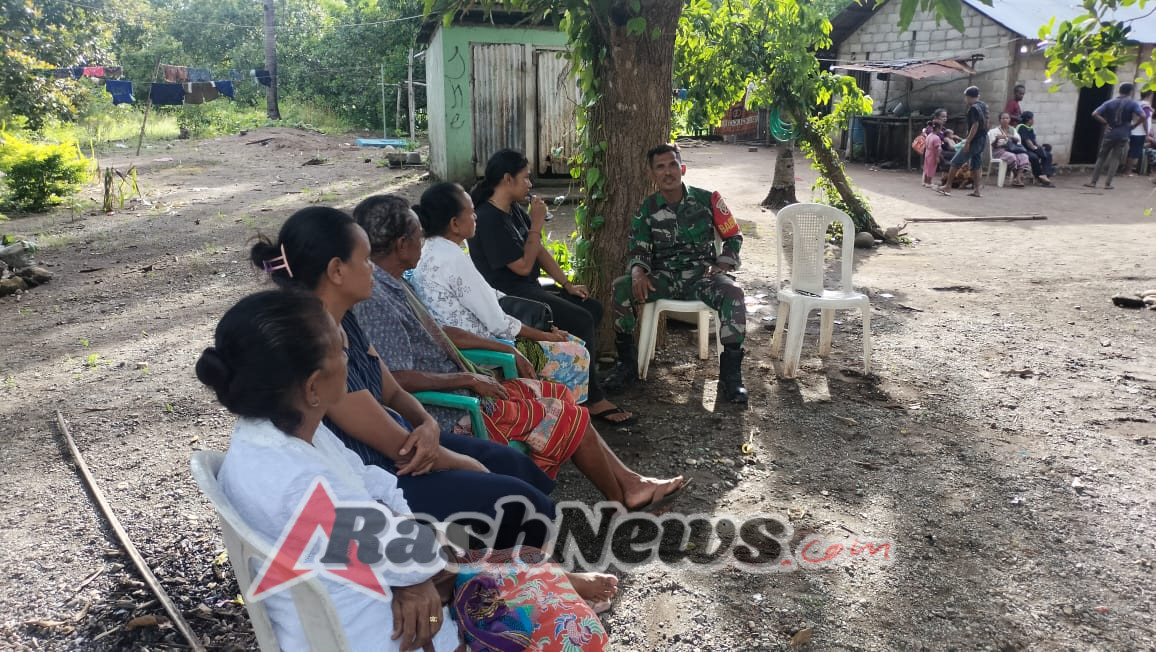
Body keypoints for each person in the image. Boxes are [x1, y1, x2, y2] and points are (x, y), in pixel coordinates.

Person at [197, 290, 614, 651]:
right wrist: (414, 571)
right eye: (341, 351)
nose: (349, 358)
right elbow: (412, 552)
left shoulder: (273, 432)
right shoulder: (300, 484)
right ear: (312, 387)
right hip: (391, 635)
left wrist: (411, 571)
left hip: (367, 600)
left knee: (508, 557)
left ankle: (539, 577)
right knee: (577, 630)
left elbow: (374, 482)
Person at [351, 194, 691, 512]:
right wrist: (468, 378)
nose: (423, 242)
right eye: (417, 235)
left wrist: (499, 349)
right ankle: (621, 503)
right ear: (401, 245)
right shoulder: (377, 298)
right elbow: (394, 377)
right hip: (452, 411)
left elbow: (440, 333)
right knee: (566, 414)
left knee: (559, 395)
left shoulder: (396, 282)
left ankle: (630, 485)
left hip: (465, 389)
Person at [251, 206, 561, 551]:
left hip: (406, 445)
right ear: (337, 270)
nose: (373, 269)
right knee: (514, 499)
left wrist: (427, 424)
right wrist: (466, 464)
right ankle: (505, 586)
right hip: (380, 477)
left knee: (509, 461)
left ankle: (517, 571)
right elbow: (396, 448)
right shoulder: (315, 348)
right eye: (365, 260)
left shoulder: (345, 318)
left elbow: (393, 390)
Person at [468, 149, 635, 427]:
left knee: (589, 307)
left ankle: (578, 377)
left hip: (528, 287)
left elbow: (540, 252)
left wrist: (567, 284)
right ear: (508, 179)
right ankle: (593, 398)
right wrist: (536, 224)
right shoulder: (488, 218)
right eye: (526, 177)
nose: (530, 184)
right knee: (580, 320)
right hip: (509, 296)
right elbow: (522, 266)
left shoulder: (513, 210)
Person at [410, 181, 591, 404]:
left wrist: (538, 324)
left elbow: (491, 296)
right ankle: (568, 423)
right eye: (471, 212)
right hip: (482, 352)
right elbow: (498, 323)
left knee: (566, 339)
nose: (475, 217)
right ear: (455, 224)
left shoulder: (432, 249)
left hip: (465, 344)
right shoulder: (452, 259)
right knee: (577, 353)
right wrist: (544, 335)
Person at [603, 144, 749, 404]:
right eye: (660, 167)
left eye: (672, 164)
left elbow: (733, 235)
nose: (667, 172)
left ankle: (731, 378)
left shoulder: (709, 200)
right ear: (652, 174)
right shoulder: (647, 208)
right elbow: (638, 247)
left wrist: (723, 265)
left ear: (682, 168)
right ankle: (626, 365)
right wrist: (638, 272)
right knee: (621, 286)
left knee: (733, 293)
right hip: (665, 278)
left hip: (702, 277)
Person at [1086, 82, 1146, 190]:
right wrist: (1133, 126)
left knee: (1101, 157)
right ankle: (1108, 184)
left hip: (1110, 133)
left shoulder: (1109, 102)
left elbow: (1095, 113)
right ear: (1131, 92)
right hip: (1124, 134)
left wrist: (1105, 123)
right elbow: (1143, 115)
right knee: (1116, 158)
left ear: (1120, 90)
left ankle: (1093, 182)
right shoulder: (1133, 103)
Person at [935, 86, 988, 197]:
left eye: (966, 97)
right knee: (976, 164)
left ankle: (948, 187)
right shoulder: (983, 105)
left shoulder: (973, 108)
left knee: (955, 162)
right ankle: (977, 190)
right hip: (982, 139)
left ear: (968, 97)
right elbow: (986, 122)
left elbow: (975, 125)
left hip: (974, 140)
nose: (965, 99)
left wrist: (968, 141)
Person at [988, 111, 1032, 187]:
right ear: (1000, 120)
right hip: (998, 151)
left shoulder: (1013, 130)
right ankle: (1017, 178)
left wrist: (1010, 137)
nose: (1005, 120)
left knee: (1024, 156)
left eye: (1007, 118)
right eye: (1003, 118)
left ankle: (1017, 178)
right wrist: (997, 139)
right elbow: (993, 145)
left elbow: (1018, 141)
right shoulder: (994, 131)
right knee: (1012, 156)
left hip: (1012, 149)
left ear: (1009, 119)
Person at [1016, 111, 1055, 187]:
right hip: (1023, 149)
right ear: (1029, 120)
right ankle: (1039, 176)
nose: (1033, 120)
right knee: (1034, 157)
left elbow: (1034, 141)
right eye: (1032, 119)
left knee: (1048, 154)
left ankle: (1045, 175)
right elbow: (1028, 142)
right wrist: (1036, 149)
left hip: (1031, 149)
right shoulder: (1021, 127)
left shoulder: (1030, 129)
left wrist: (1040, 147)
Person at [1126, 90, 1154, 175]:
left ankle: (1128, 170)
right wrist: (1147, 133)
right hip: (1139, 132)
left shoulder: (1137, 103)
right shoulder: (1146, 106)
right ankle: (1127, 171)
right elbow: (1145, 119)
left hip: (1134, 130)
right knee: (1134, 152)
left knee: (1133, 150)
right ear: (1150, 95)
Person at [921, 116, 945, 187]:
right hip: (933, 154)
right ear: (938, 128)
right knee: (931, 168)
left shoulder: (929, 135)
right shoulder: (936, 138)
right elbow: (938, 149)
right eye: (941, 128)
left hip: (927, 153)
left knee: (926, 167)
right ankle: (929, 182)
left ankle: (925, 182)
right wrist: (937, 157)